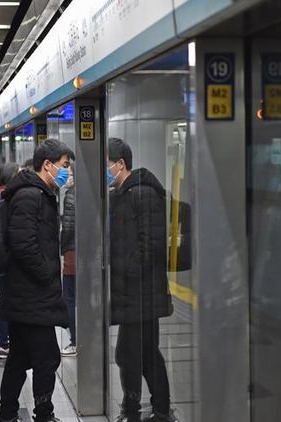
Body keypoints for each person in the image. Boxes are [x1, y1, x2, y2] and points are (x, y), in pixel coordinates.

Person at [0, 139, 73, 422]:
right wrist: (46, 274)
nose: (67, 171)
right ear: (47, 165)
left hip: (26, 295)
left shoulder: (38, 193)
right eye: (64, 165)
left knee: (19, 358)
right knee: (47, 358)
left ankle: (7, 414)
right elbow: (23, 244)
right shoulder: (30, 196)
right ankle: (44, 415)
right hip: (31, 295)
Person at [107, 138, 175, 422]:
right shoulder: (120, 194)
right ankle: (157, 410)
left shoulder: (143, 194)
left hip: (142, 291)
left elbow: (151, 245)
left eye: (107, 165)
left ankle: (137, 409)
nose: (105, 172)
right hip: (131, 292)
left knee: (133, 354)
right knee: (141, 353)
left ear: (120, 163)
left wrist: (126, 270)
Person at [0, 162, 20, 360]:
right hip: (11, 257)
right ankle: (9, 342)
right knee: (13, 300)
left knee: (4, 300)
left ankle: (4, 344)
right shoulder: (10, 197)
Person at [60, 165, 77, 356]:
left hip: (73, 254)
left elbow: (68, 228)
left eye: (70, 173)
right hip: (91, 255)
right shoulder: (96, 192)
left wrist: (62, 248)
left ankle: (75, 342)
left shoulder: (71, 195)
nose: (67, 176)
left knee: (70, 299)